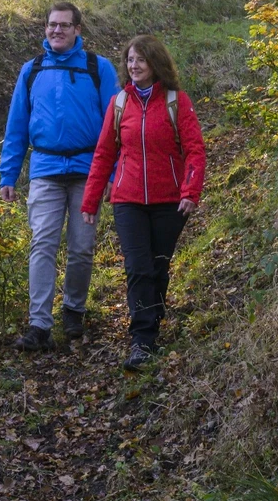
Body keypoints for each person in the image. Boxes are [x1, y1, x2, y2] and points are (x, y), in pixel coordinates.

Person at [0, 2, 121, 350]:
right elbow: (16, 126)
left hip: (88, 172)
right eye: (52, 25)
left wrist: (112, 174)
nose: (57, 31)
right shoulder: (32, 70)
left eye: (64, 25)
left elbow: (115, 127)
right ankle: (39, 325)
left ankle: (73, 311)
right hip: (45, 170)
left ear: (78, 30)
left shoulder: (99, 68)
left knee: (82, 248)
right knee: (42, 244)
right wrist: (9, 173)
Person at [81, 34, 206, 371]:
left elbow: (195, 149)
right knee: (137, 268)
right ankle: (143, 340)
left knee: (157, 266)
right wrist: (90, 201)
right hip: (128, 200)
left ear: (156, 63)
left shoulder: (177, 101)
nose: (133, 66)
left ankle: (153, 316)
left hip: (170, 200)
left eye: (140, 60)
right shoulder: (120, 103)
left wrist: (190, 192)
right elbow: (104, 153)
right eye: (130, 60)